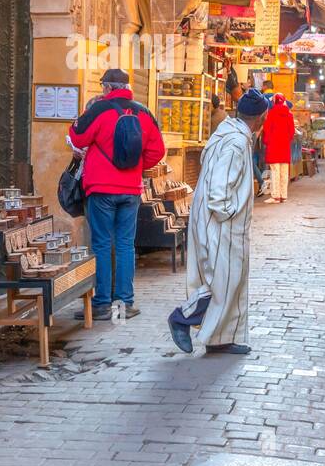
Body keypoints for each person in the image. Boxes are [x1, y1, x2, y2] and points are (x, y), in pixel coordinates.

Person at [168, 88, 270, 355]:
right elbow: (219, 190)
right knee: (222, 282)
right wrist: (229, 214)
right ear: (261, 117)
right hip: (222, 223)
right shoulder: (236, 143)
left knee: (230, 280)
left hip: (217, 220)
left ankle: (222, 338)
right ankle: (182, 317)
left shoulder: (229, 134)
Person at [68, 68, 165, 319]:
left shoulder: (100, 110)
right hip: (131, 189)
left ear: (108, 88)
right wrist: (136, 168)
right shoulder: (144, 112)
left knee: (101, 244)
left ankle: (101, 304)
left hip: (101, 188)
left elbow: (77, 138)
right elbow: (157, 150)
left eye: (103, 86)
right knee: (125, 245)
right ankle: (124, 303)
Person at [261, 91, 295, 203]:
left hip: (273, 147)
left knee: (275, 172)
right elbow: (292, 132)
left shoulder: (271, 114)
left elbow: (266, 130)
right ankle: (283, 195)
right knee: (284, 172)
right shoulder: (289, 115)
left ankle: (275, 196)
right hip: (285, 147)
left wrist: (267, 142)